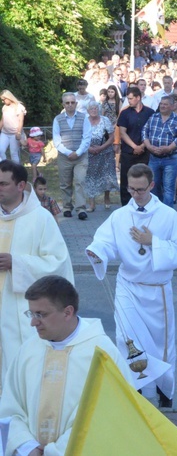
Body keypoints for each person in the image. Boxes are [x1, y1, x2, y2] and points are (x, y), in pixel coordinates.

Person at [86, 164, 177, 408]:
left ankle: (165, 391)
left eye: (141, 190)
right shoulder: (120, 216)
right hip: (129, 287)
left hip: (157, 291)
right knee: (128, 340)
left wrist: (153, 241)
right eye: (131, 190)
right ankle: (139, 394)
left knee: (159, 346)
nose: (135, 195)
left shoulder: (168, 215)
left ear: (152, 186)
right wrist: (98, 252)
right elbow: (105, 242)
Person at [0, 275, 132, 456]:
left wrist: (57, 452)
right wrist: (26, 446)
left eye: (41, 314)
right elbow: (10, 405)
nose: (33, 322)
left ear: (68, 312)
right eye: (31, 313)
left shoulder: (102, 353)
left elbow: (111, 414)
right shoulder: (28, 350)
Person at [0, 160, 74, 383]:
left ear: (21, 185)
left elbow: (58, 263)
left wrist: (17, 263)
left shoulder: (40, 218)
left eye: (2, 184)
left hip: (20, 310)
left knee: (20, 370)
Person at [52, 92, 92, 220]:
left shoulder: (83, 117)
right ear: (63, 104)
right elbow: (56, 140)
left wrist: (78, 152)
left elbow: (87, 137)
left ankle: (81, 209)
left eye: (72, 102)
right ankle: (67, 207)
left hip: (80, 156)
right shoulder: (57, 119)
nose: (70, 105)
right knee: (65, 183)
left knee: (80, 181)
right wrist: (69, 153)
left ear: (76, 103)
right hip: (65, 156)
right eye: (67, 103)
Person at [142, 95, 177, 209]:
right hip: (153, 157)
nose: (162, 106)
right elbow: (144, 132)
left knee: (168, 188)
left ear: (172, 106)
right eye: (161, 104)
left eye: (165, 104)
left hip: (170, 158)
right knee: (153, 185)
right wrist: (149, 146)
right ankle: (155, 209)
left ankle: (167, 213)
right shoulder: (153, 117)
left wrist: (169, 148)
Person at [117, 87, 155, 206]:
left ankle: (144, 203)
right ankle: (126, 205)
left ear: (138, 98)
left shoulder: (150, 113)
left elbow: (152, 132)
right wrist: (135, 146)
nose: (129, 101)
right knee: (126, 180)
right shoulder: (125, 113)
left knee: (145, 179)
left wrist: (143, 146)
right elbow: (122, 132)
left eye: (131, 98)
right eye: (127, 99)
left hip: (145, 151)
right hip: (128, 152)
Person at [83, 102, 117, 212]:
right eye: (91, 108)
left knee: (106, 176)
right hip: (90, 153)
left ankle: (106, 198)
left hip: (105, 152)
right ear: (88, 110)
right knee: (90, 178)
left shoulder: (105, 120)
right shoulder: (84, 121)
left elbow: (112, 137)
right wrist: (89, 148)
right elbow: (81, 138)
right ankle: (92, 204)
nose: (94, 110)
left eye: (96, 108)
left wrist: (101, 148)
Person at [0, 90, 26, 162]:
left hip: (14, 134)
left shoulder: (19, 107)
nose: (2, 102)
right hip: (4, 133)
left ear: (8, 97)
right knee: (0, 151)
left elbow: (21, 121)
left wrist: (18, 133)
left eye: (3, 99)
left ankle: (16, 171)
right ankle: (5, 166)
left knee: (13, 153)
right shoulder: (4, 107)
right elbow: (2, 120)